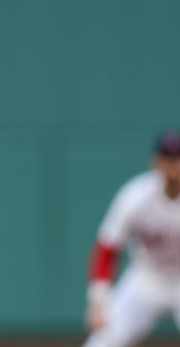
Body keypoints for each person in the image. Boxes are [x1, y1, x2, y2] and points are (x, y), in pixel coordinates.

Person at [83, 130, 180, 347]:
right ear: (156, 161)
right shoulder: (135, 196)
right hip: (147, 278)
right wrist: (98, 301)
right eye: (167, 158)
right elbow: (107, 248)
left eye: (178, 159)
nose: (173, 165)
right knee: (101, 343)